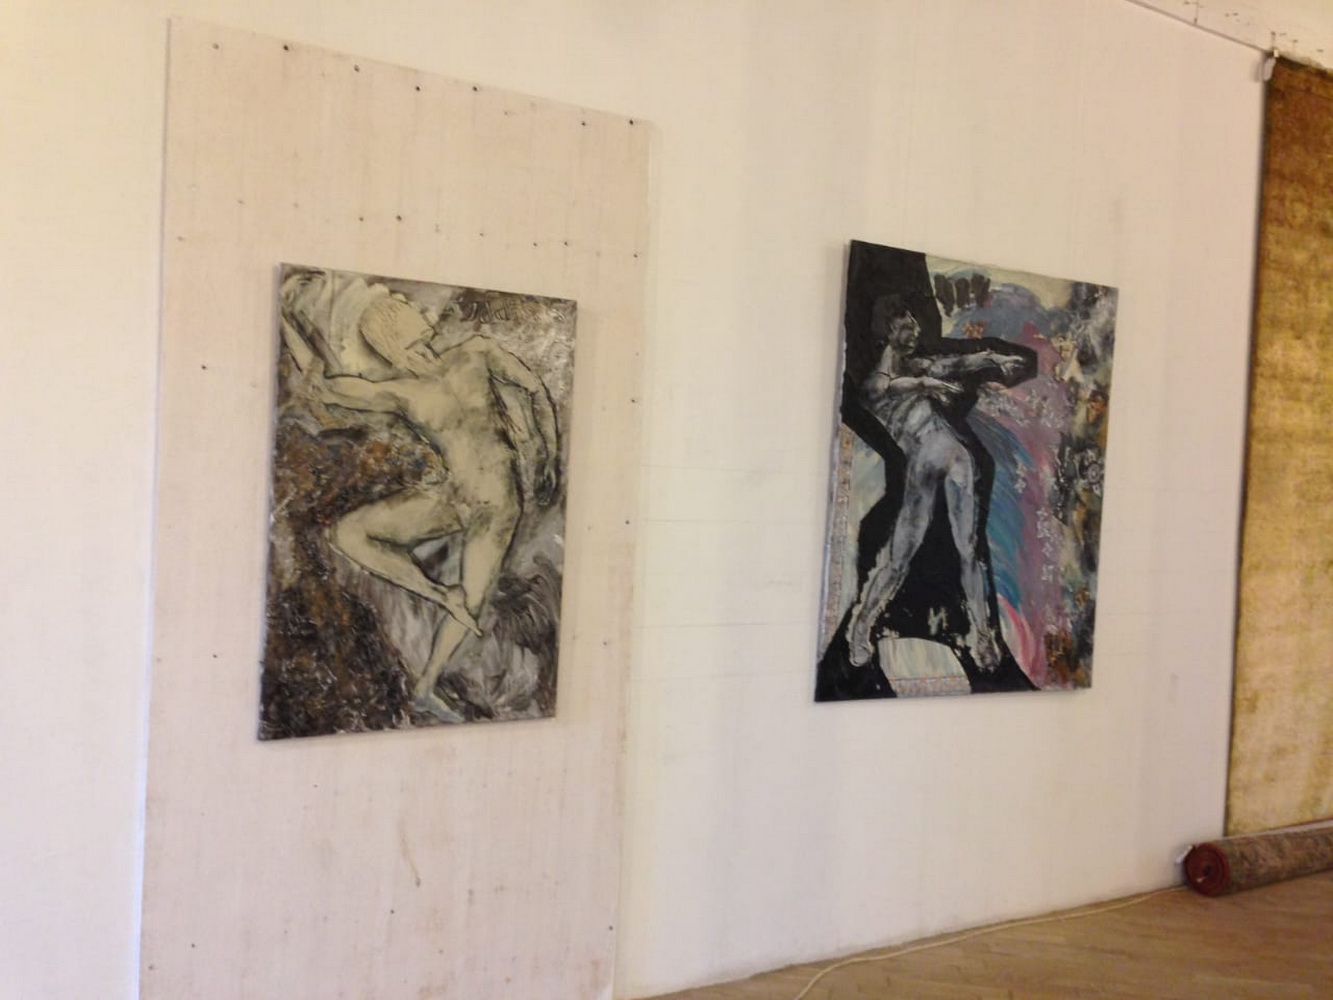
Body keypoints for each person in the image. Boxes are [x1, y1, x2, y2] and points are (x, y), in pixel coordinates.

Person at [280, 287, 559, 722]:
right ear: (393, 329)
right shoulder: (402, 392)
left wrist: (546, 455)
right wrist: (285, 321)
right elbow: (322, 387)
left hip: (497, 508)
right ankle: (438, 593)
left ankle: (426, 686)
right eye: (404, 307)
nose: (416, 307)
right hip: (451, 499)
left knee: (474, 602)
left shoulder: (475, 352)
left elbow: (536, 390)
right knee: (347, 534)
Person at [846, 296, 1030, 672]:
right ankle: (860, 628)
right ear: (888, 334)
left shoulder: (918, 364)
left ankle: (983, 635)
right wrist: (926, 384)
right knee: (898, 559)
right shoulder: (875, 383)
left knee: (969, 551)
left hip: (957, 461)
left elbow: (959, 363)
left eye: (914, 325)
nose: (915, 332)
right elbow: (894, 388)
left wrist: (995, 358)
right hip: (921, 467)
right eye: (906, 327)